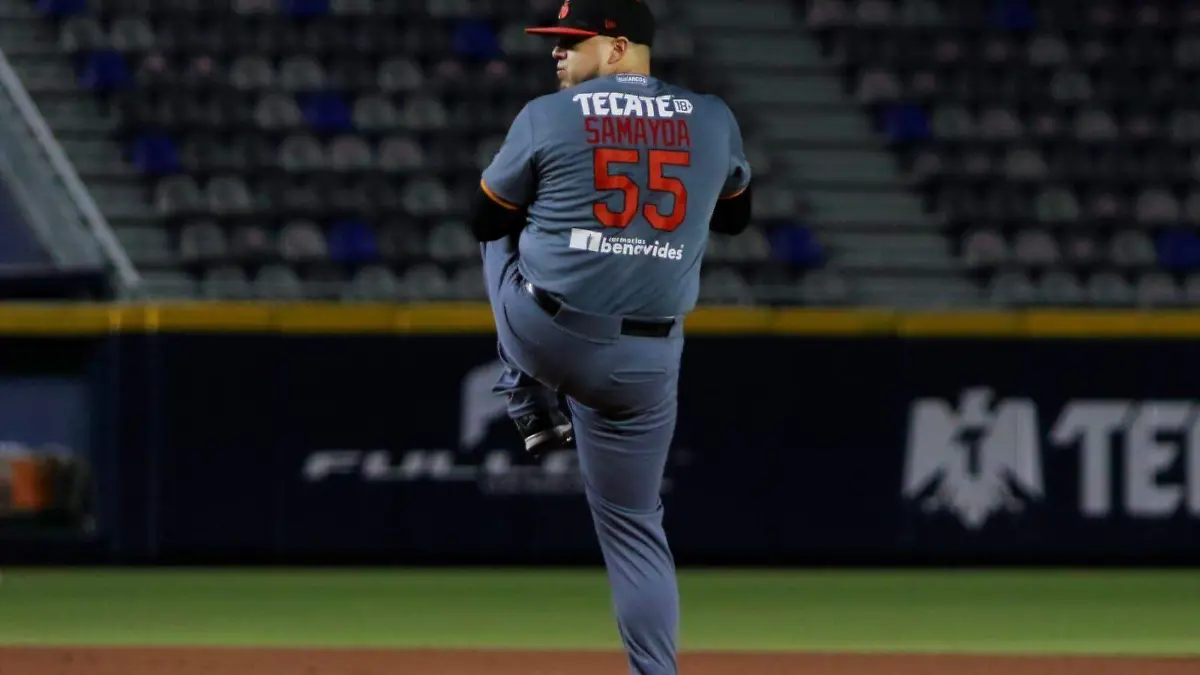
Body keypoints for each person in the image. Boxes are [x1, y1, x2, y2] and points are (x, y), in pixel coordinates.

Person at [466, 0, 752, 672]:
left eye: (573, 41)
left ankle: (525, 392)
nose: (556, 53)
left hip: (548, 335)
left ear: (618, 48)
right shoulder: (712, 116)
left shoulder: (548, 114)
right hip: (646, 364)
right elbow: (736, 220)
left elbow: (483, 218)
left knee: (503, 221)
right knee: (634, 527)